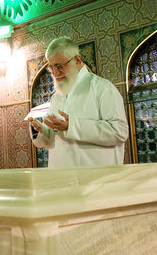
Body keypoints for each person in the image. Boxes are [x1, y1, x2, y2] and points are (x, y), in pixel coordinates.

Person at [29, 36, 129, 167]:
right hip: (61, 181)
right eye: (51, 67)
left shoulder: (102, 88)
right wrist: (42, 131)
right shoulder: (56, 97)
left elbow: (119, 132)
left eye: (59, 66)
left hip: (95, 181)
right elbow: (54, 142)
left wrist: (72, 126)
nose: (55, 73)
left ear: (77, 60)